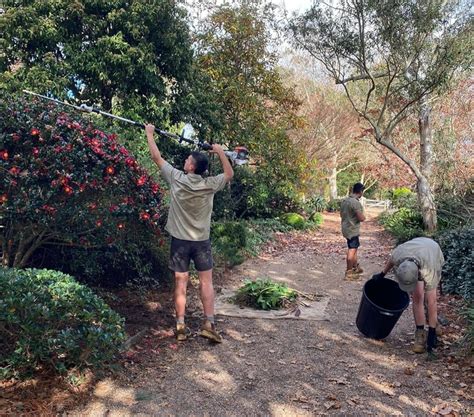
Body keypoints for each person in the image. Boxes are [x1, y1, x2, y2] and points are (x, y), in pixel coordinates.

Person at [145, 124, 234, 343]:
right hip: (201, 242)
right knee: (206, 282)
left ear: (192, 167)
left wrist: (149, 133)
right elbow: (229, 173)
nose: (184, 161)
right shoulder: (209, 184)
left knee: (181, 283)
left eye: (187, 160)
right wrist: (221, 152)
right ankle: (209, 323)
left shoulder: (177, 178)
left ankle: (181, 325)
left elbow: (156, 157)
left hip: (180, 242)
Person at [372, 237, 444, 353]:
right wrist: (382, 274)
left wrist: (432, 332)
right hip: (413, 252)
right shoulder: (399, 254)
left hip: (432, 252)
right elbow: (392, 260)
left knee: (428, 299)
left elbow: (432, 302)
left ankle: (434, 325)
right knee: (417, 296)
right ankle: (420, 334)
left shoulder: (429, 269)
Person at [340, 183, 366, 280]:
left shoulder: (345, 201)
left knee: (354, 248)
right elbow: (361, 217)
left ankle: (355, 267)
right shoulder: (355, 202)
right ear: (360, 191)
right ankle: (349, 272)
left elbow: (341, 214)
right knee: (352, 249)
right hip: (352, 229)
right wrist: (364, 217)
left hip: (346, 228)